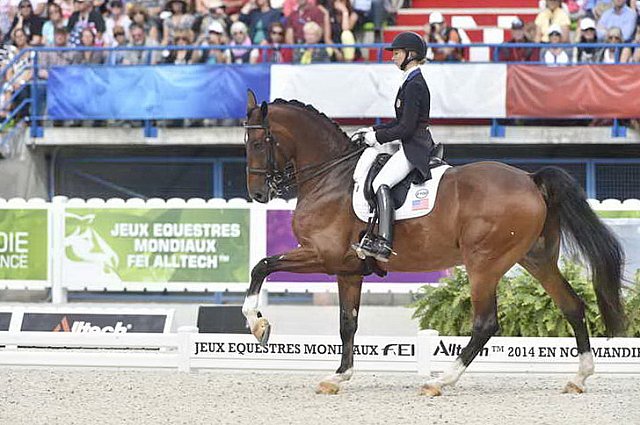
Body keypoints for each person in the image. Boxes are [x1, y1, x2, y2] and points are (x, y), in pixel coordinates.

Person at [353, 31, 434, 262]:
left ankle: (385, 243)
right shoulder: (409, 81)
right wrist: (372, 131)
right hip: (410, 142)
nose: (392, 57)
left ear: (411, 55)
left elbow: (406, 128)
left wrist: (377, 139)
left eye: (397, 53)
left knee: (381, 182)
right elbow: (398, 122)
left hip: (414, 146)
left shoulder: (414, 84)